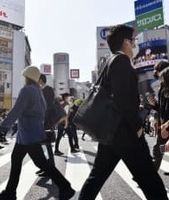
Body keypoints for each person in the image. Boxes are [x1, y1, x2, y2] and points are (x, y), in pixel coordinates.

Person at [78, 25, 168, 200]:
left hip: (112, 133)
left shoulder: (110, 61)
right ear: (126, 42)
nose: (135, 45)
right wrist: (136, 125)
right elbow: (121, 98)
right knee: (152, 183)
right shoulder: (121, 61)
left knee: (96, 178)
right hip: (126, 133)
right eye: (133, 41)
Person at [0, 66, 75, 200]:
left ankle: (66, 187)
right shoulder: (38, 91)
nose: (23, 79)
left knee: (41, 163)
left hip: (28, 135)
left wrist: (1, 128)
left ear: (27, 77)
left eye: (24, 76)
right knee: (18, 160)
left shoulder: (26, 91)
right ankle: (9, 193)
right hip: (30, 133)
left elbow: (15, 112)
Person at [147, 60, 169, 172]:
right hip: (163, 126)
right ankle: (149, 175)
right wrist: (154, 104)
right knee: (158, 150)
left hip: (166, 126)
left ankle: (149, 176)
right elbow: (162, 109)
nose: (159, 78)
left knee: (158, 150)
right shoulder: (161, 88)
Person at [36, 74, 56, 177]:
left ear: (41, 80)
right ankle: (44, 167)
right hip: (42, 121)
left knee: (47, 146)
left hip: (46, 121)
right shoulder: (41, 90)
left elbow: (48, 106)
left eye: (37, 79)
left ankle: (49, 168)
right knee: (42, 146)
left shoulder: (48, 90)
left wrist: (43, 120)